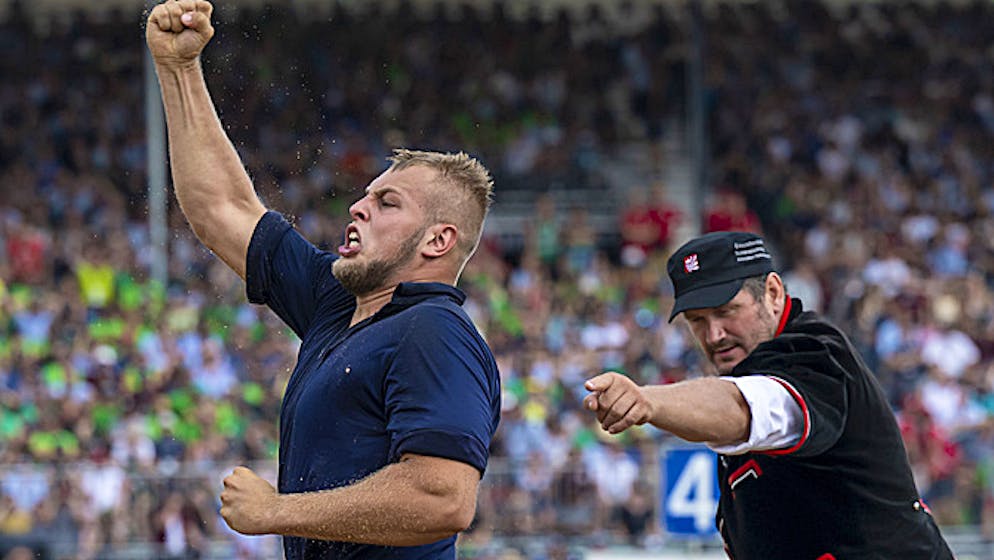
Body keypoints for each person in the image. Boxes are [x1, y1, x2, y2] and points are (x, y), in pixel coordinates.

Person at [145, 2, 501, 559]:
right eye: (364, 195)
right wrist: (180, 70)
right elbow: (221, 209)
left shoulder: (434, 332)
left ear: (438, 241)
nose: (358, 208)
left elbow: (443, 499)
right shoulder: (339, 303)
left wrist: (276, 511)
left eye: (387, 202)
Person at [583, 231, 953, 559]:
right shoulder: (746, 374)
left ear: (773, 293)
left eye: (727, 311)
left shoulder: (817, 356)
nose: (714, 335)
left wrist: (650, 402)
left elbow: (748, 408)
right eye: (697, 320)